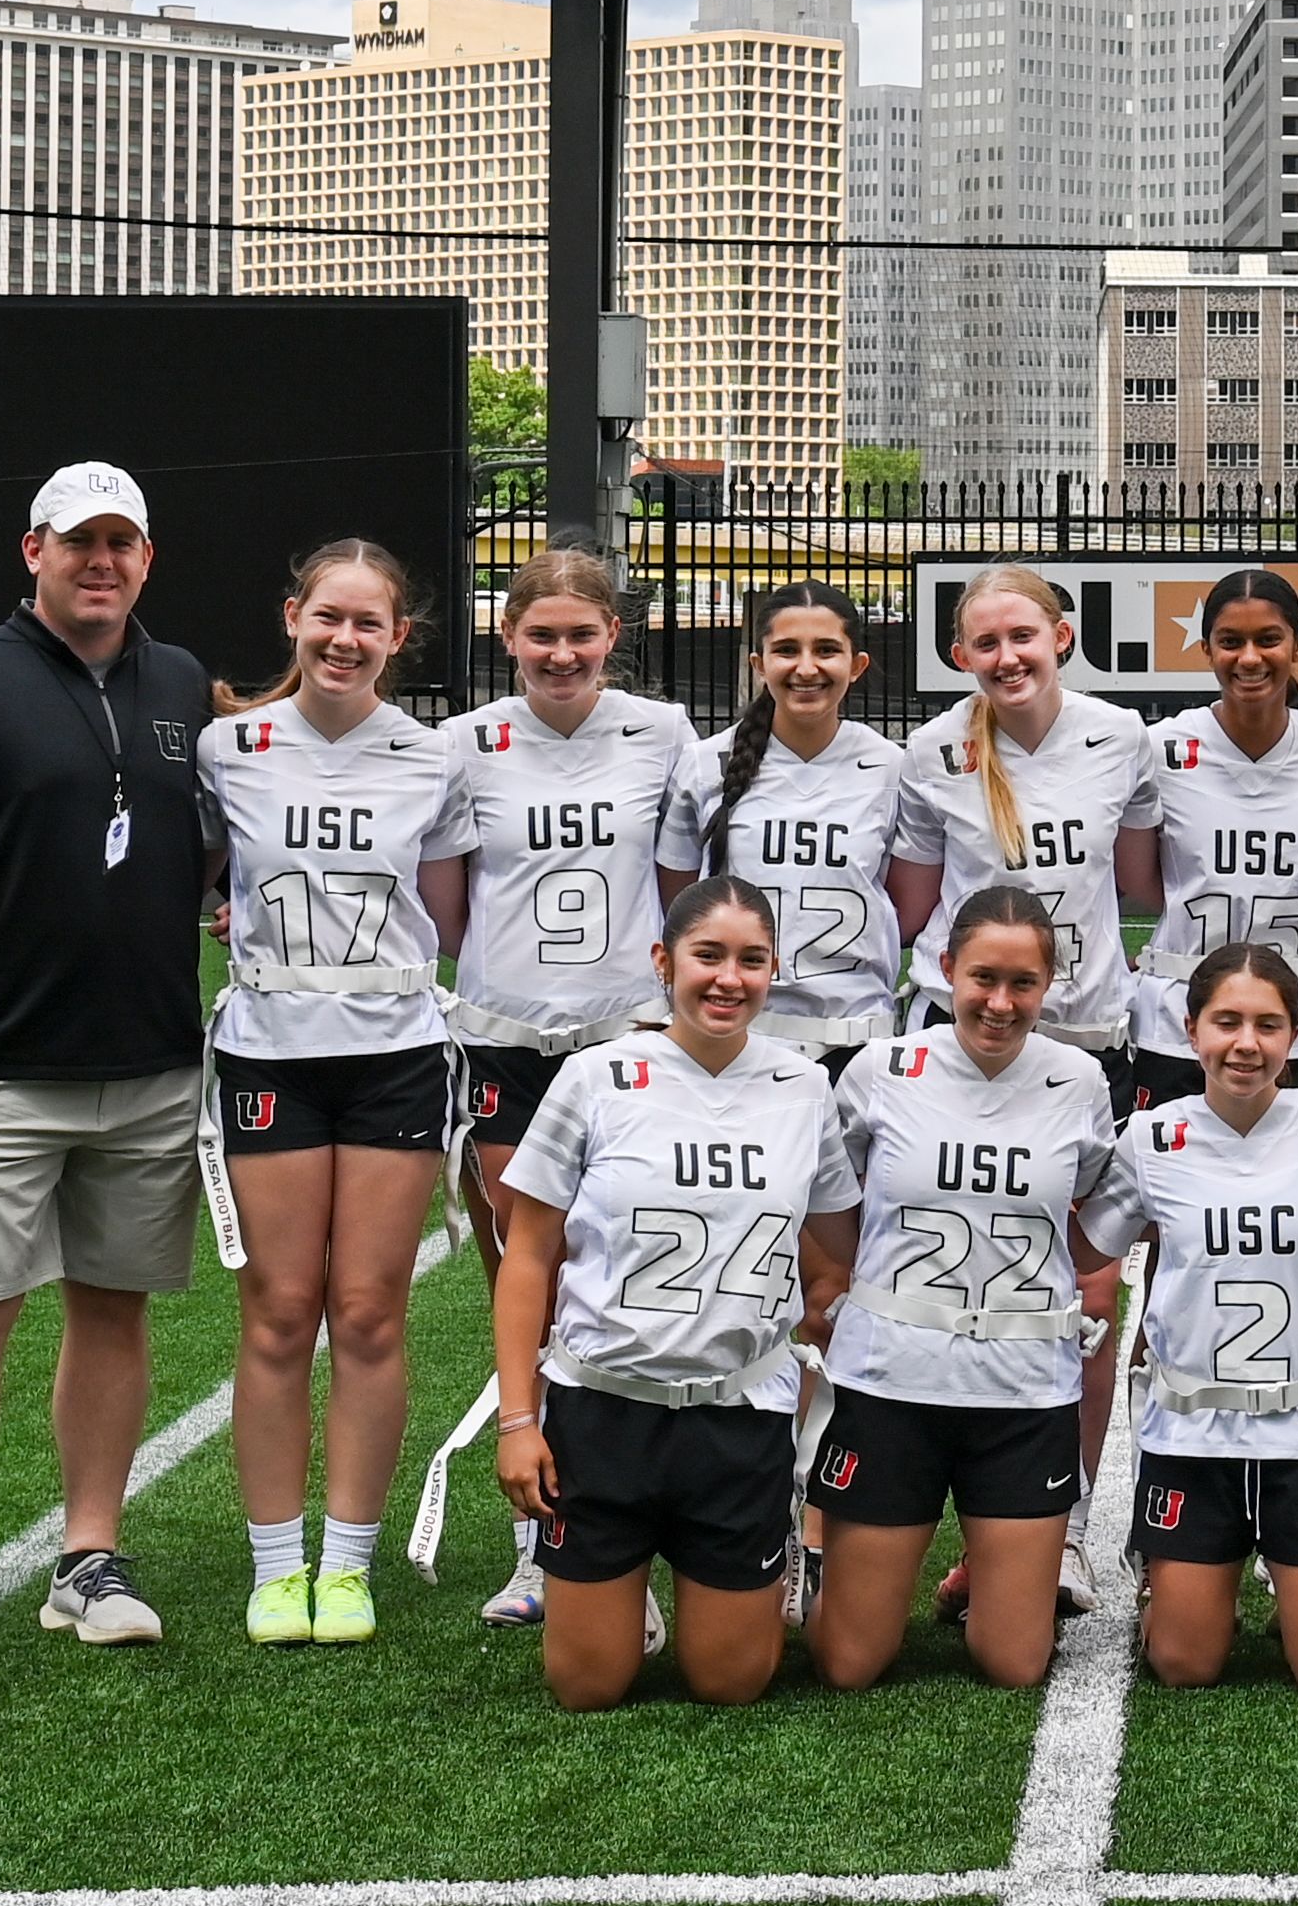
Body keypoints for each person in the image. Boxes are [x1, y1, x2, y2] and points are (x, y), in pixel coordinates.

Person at [0, 461, 217, 1677]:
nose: (100, 560)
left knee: (110, 1307)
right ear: (34, 551)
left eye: (121, 541)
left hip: (158, 1062)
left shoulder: (180, 684)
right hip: (1, 1063)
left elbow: (202, 840)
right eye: (79, 541)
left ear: (147, 558)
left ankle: (89, 1557)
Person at [488, 877, 861, 1712]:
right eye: (708, 955)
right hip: (605, 1407)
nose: (729, 978)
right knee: (586, 1684)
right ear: (664, 961)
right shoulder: (596, 1077)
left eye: (752, 959)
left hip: (738, 1414)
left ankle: (731, 1568)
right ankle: (621, 1598)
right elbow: (528, 1254)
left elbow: (842, 1247)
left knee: (731, 1681)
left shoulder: (803, 1088)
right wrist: (520, 1419)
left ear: (774, 970)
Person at [196, 539, 469, 1648]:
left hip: (395, 1048)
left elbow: (443, 919)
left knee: (365, 1309)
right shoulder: (229, 746)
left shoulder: (431, 756)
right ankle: (274, 1562)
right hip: (270, 1047)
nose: (346, 639)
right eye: (328, 617)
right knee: (274, 1308)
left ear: (398, 638)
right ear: (293, 616)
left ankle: (347, 1561)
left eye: (370, 623)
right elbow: (206, 875)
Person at [436, 547, 702, 1626]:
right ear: (508, 637)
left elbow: (677, 892)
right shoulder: (468, 742)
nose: (559, 652)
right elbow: (450, 906)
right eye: (539, 634)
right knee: (528, 1285)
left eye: (579, 634)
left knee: (626, 1280)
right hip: (507, 1041)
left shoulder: (662, 730)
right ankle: (540, 1541)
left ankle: (633, 1531)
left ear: (611, 637)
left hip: (624, 1044)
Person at [809, 885, 1121, 1694]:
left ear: (1050, 985)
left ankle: (990, 1566)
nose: (1000, 1001)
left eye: (1024, 983)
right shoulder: (883, 1069)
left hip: (1021, 1390)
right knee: (848, 1662)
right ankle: (805, 1567)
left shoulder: (1080, 1080)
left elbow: (1085, 1216)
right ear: (946, 967)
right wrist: (851, 1280)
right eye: (983, 976)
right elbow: (826, 1195)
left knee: (1014, 1663)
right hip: (891, 1380)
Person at [1081, 941, 1298, 1693]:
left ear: (1295, 1035)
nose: (1246, 1043)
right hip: (1193, 1430)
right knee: (1184, 1663)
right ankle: (1183, 1589)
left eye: (1267, 1025)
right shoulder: (1152, 1138)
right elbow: (1089, 1249)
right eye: (1226, 1022)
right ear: (1191, 1031)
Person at [887, 563, 1162, 1108]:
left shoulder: (1121, 735)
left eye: (1022, 636)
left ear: (1061, 638)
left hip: (1084, 1024)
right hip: (963, 1022)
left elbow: (1140, 884)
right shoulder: (931, 750)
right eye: (986, 644)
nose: (1007, 658)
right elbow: (912, 911)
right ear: (961, 657)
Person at [1127, 570, 1298, 1107]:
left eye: (1268, 639)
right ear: (1206, 648)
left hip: (1291, 1020)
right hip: (1177, 1021)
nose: (1249, 658)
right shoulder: (1160, 748)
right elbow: (1139, 879)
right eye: (1231, 642)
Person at [659, 583, 911, 1069]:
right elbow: (677, 901)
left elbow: (907, 906)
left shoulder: (891, 768)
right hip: (735, 1037)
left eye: (827, 651)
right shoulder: (703, 764)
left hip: (856, 1038)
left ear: (856, 665)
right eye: (787, 650)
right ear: (759, 664)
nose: (806, 667)